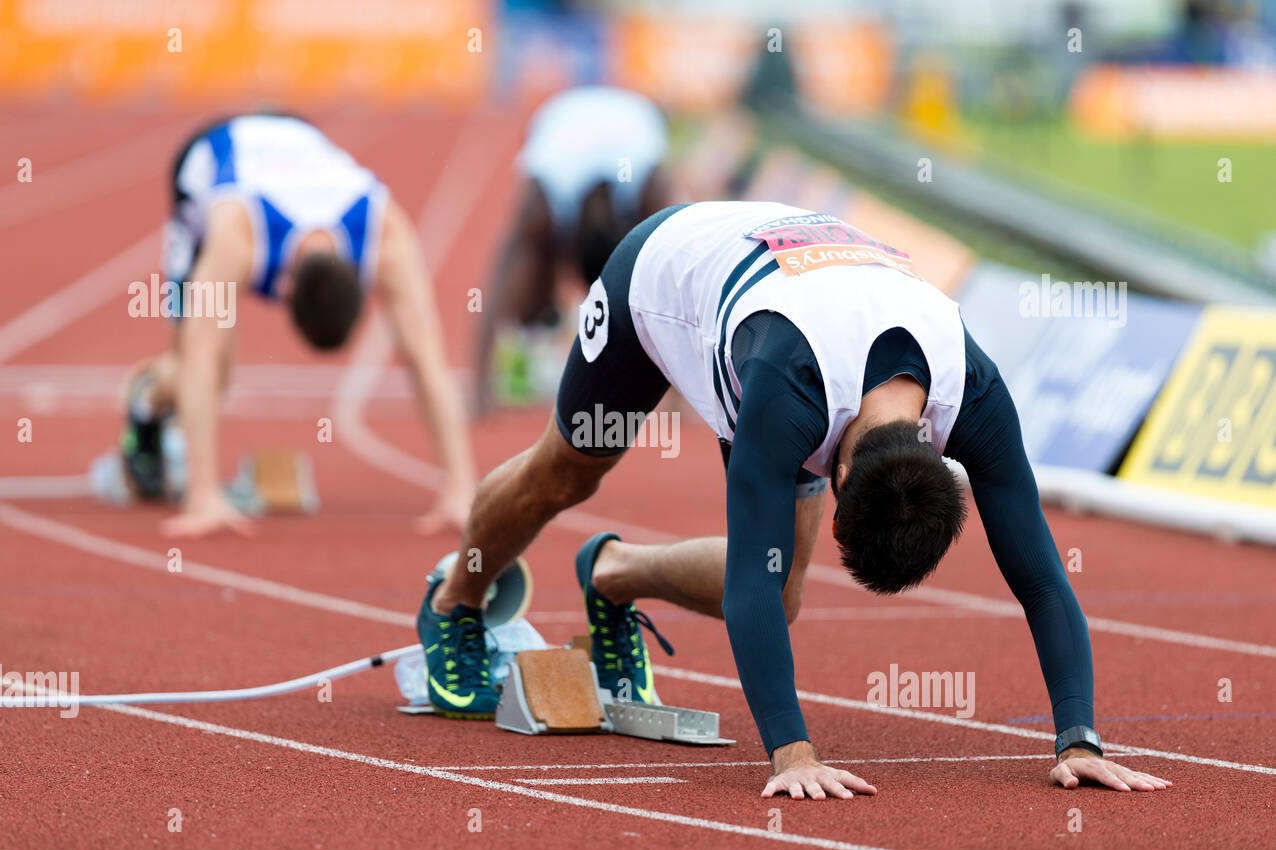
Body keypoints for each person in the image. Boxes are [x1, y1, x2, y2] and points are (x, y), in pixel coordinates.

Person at [418, 200, 1173, 800]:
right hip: (661, 280)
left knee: (783, 597)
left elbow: (1041, 577)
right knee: (570, 473)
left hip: (796, 291)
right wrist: (792, 751)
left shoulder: (972, 391)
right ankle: (455, 601)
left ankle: (610, 572)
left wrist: (1080, 738)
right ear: (841, 477)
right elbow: (746, 569)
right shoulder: (786, 400)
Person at [123, 112, 475, 537]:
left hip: (296, 131)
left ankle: (173, 433)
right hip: (207, 157)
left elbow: (426, 360)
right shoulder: (238, 235)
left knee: (419, 344)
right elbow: (200, 355)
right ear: (284, 287)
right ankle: (145, 403)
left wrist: (462, 490)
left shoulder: (387, 236)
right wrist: (204, 496)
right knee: (208, 371)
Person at [474, 85, 671, 413]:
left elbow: (672, 280)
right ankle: (540, 313)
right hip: (563, 119)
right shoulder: (543, 197)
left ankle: (541, 320)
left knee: (657, 270)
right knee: (531, 280)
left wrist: (480, 391)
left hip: (629, 119)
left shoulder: (648, 183)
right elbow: (501, 283)